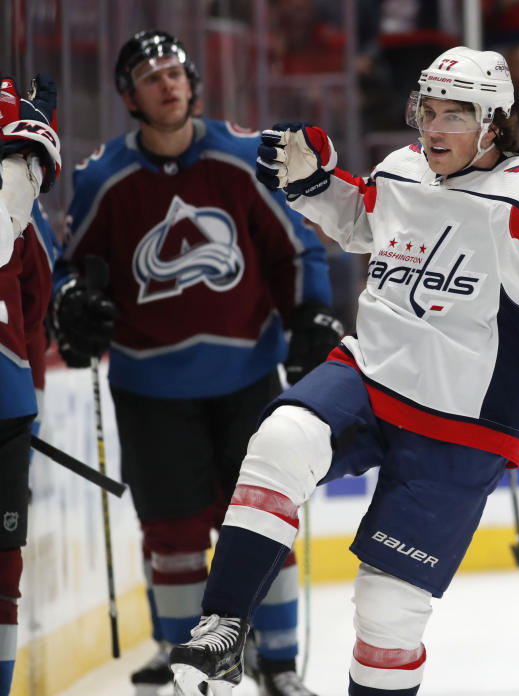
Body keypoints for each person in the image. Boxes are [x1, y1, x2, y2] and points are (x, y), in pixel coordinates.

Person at [167, 45, 519, 696]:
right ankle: (222, 627)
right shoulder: (403, 169)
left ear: (494, 123)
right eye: (427, 111)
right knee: (280, 441)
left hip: (461, 425)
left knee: (388, 614)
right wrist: (314, 184)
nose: (432, 129)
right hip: (372, 375)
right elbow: (365, 220)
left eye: (453, 116)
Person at [50, 30, 339, 696]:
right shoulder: (104, 176)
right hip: (149, 384)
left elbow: (296, 248)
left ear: (193, 82)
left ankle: (279, 662)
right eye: (151, 76)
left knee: (262, 520)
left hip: (248, 376)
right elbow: (72, 268)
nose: (167, 83)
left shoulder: (242, 156)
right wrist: (74, 300)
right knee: (174, 532)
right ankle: (188, 667)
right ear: (130, 96)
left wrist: (311, 316)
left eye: (175, 71)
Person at [0, 74, 61, 696]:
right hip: (10, 395)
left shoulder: (22, 225)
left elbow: (37, 305)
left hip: (8, 399)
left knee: (1, 572)